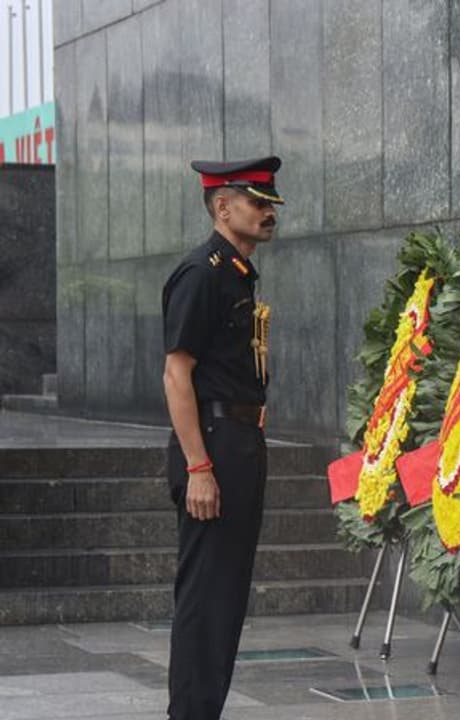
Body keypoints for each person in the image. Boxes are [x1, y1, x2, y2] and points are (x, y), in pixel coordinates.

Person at [161, 156, 283, 720]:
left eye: (270, 205)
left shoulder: (235, 271)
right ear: (222, 206)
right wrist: (198, 468)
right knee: (207, 598)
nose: (267, 213)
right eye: (257, 203)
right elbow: (176, 372)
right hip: (212, 443)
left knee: (225, 597)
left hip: (238, 440)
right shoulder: (203, 272)